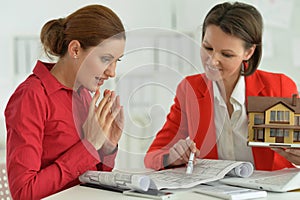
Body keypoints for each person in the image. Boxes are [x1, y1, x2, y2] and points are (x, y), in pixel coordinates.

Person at [144, 2, 300, 171]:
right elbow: (153, 154)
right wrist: (172, 157)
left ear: (248, 52)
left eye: (226, 54)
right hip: (214, 194)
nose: (212, 61)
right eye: (207, 47)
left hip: (269, 193)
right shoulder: (190, 89)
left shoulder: (279, 86)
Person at [5, 4, 125, 200]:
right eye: (105, 59)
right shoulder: (31, 96)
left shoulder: (83, 95)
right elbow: (23, 194)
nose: (112, 72)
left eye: (116, 61)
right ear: (75, 49)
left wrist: (107, 146)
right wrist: (89, 146)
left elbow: (90, 178)